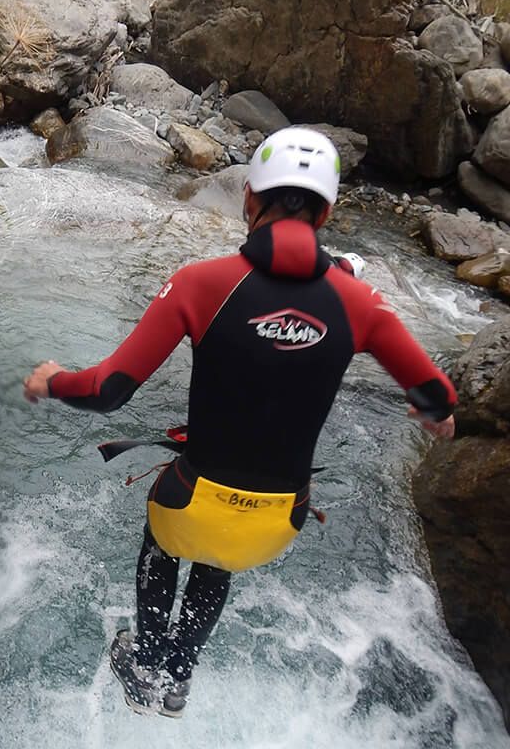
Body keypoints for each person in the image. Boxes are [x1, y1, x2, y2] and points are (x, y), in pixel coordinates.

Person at [23, 127, 456, 718]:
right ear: (326, 212)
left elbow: (108, 391)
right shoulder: (363, 305)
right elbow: (435, 391)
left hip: (187, 507)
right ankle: (178, 678)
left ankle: (144, 661)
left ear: (250, 199)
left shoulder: (203, 282)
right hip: (277, 525)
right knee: (220, 550)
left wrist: (53, 381)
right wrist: (434, 414)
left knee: (181, 521)